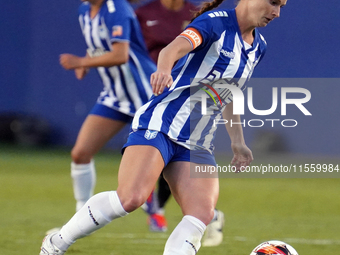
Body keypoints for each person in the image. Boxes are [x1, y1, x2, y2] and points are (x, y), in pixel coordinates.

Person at [39, 0, 287, 254]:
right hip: (161, 124)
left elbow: (230, 93)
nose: (277, 13)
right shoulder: (215, 22)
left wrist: (238, 141)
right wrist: (163, 71)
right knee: (131, 198)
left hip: (198, 140)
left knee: (201, 214)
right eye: (273, 3)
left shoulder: (259, 47)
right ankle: (56, 243)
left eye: (282, 6)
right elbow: (172, 49)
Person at [135, 0, 225, 247]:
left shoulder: (199, 15)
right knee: (133, 188)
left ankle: (163, 208)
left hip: (179, 99)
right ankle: (157, 205)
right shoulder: (144, 13)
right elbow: (135, 52)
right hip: (146, 88)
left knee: (173, 160)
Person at [57, 0, 155, 218]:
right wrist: (85, 63)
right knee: (80, 153)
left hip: (145, 94)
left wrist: (81, 61)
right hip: (115, 96)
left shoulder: (117, 9)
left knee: (171, 163)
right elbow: (98, 47)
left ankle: (207, 213)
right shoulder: (84, 11)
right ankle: (81, 213)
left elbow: (120, 55)